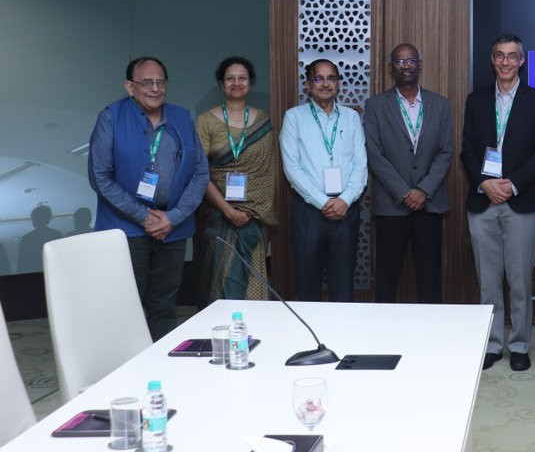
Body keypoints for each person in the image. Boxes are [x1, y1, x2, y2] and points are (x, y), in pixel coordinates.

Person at [88, 57, 208, 340]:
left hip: (172, 228)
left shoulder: (181, 117)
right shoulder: (111, 117)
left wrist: (174, 217)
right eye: (147, 82)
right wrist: (144, 216)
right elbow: (100, 176)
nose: (155, 88)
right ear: (130, 87)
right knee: (125, 306)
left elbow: (200, 173)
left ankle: (160, 361)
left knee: (165, 305)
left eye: (160, 82)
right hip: (126, 229)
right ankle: (126, 365)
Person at [461, 34, 535, 371]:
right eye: (500, 55)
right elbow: (467, 150)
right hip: (482, 200)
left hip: (520, 201)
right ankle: (492, 343)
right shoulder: (475, 100)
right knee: (487, 281)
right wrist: (485, 183)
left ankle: (519, 345)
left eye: (512, 56)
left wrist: (511, 185)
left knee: (519, 280)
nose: (505, 62)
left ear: (521, 61)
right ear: (492, 59)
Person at [363, 43, 453, 304]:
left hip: (429, 203)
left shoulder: (440, 104)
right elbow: (374, 154)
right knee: (387, 279)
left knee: (430, 280)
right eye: (400, 61)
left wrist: (423, 190)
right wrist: (404, 192)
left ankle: (431, 327)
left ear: (419, 65)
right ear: (391, 67)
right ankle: (383, 328)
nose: (406, 66)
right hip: (392, 206)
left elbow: (445, 152)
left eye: (411, 60)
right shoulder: (375, 106)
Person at [280, 58, 368, 302]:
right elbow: (292, 168)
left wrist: (345, 200)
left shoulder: (351, 117)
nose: (325, 84)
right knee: (308, 284)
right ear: (308, 84)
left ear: (338, 83)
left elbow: (361, 164)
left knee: (343, 285)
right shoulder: (294, 117)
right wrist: (323, 202)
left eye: (331, 78)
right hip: (309, 211)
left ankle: (342, 328)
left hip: (346, 209)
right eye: (318, 78)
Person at [193, 56, 277, 305]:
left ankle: (254, 325)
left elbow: (268, 171)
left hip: (254, 215)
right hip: (217, 215)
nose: (236, 83)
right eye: (230, 78)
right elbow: (199, 172)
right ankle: (220, 326)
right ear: (221, 84)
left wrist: (250, 210)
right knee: (220, 278)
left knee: (252, 277)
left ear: (250, 82)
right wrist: (228, 210)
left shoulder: (262, 121)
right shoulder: (206, 121)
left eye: (242, 78)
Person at [18, 204, 63, 273]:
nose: (34, 221)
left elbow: (22, 263)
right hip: (52, 271)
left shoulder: (27, 238)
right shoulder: (56, 235)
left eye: (35, 218)